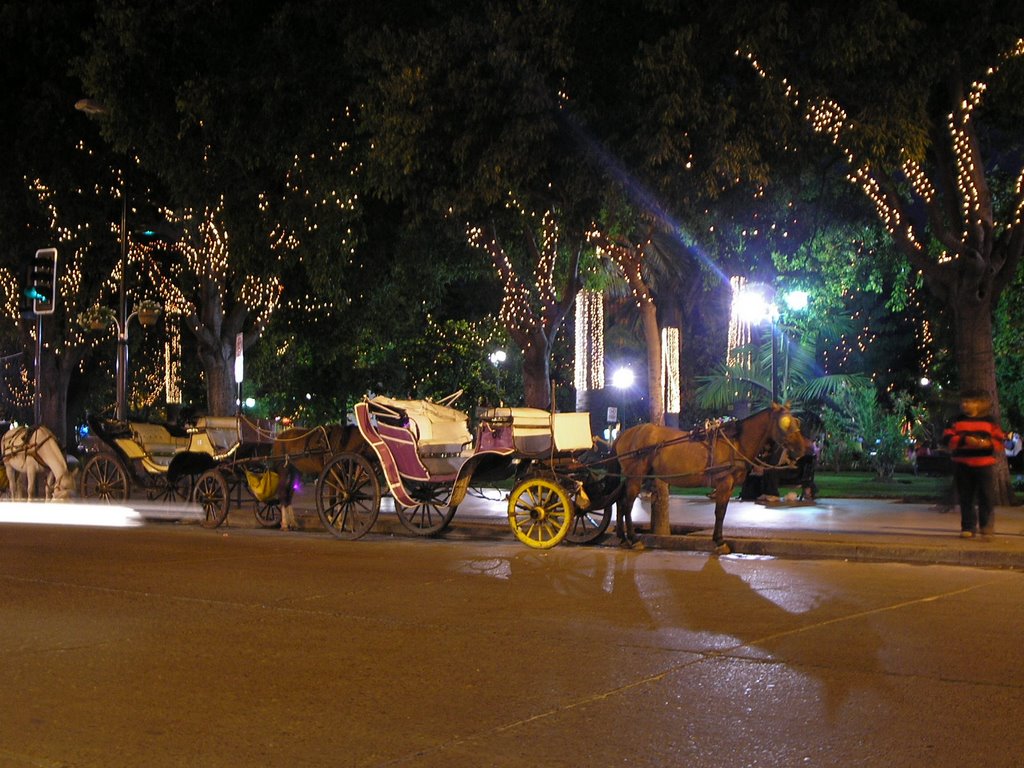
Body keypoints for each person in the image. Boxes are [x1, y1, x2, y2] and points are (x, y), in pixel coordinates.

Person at [941, 389, 1006, 538]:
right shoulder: (956, 420)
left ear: (980, 404)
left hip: (984, 465)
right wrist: (964, 440)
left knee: (986, 496)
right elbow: (946, 439)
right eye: (963, 401)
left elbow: (999, 439)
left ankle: (986, 526)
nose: (965, 404)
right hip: (963, 464)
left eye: (969, 401)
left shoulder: (989, 421)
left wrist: (986, 443)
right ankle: (968, 526)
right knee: (966, 496)